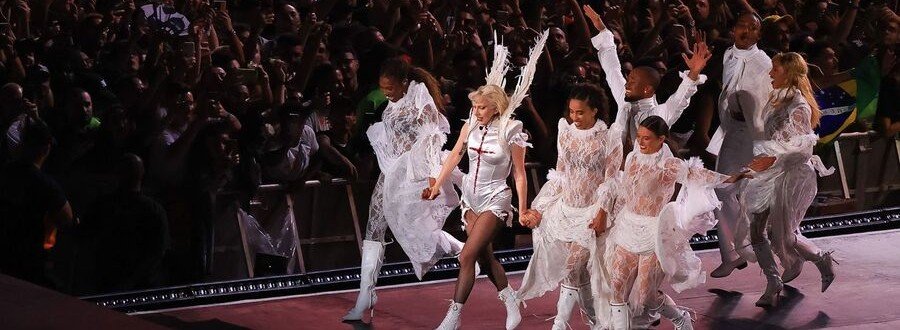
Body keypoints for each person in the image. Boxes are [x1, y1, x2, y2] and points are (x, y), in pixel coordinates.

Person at [426, 31, 548, 330]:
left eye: (481, 107)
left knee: (467, 255)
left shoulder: (512, 129)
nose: (476, 111)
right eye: (475, 107)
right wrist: (436, 186)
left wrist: (522, 209)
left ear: (496, 106)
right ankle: (509, 298)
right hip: (471, 197)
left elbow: (519, 173)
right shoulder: (471, 125)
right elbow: (454, 155)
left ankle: (452, 317)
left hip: (495, 197)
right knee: (484, 255)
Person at [342, 58, 466, 322]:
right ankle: (366, 293)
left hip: (414, 174)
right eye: (383, 87)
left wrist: (434, 177)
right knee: (374, 226)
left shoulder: (421, 100)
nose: (386, 92)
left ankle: (461, 249)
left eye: (390, 87)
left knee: (413, 229)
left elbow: (433, 137)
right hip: (390, 173)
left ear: (405, 83)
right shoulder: (391, 105)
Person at [601, 116, 750, 330]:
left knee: (646, 297)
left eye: (647, 139)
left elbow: (697, 174)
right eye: (639, 138)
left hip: (653, 234)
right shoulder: (633, 157)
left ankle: (680, 318)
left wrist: (732, 178)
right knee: (616, 287)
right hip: (627, 229)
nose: (641, 143)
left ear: (661, 139)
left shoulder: (669, 165)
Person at [516, 85, 623, 329]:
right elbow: (560, 174)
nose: (574, 117)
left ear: (595, 110)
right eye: (572, 111)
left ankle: (560, 323)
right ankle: (597, 322)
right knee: (576, 273)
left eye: (581, 112)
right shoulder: (565, 130)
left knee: (573, 265)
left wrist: (602, 213)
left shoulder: (609, 136)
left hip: (593, 211)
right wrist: (540, 208)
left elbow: (612, 180)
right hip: (566, 210)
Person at [736, 52, 836, 307]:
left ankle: (821, 258)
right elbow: (775, 142)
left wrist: (771, 160)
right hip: (773, 172)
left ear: (789, 73)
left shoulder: (798, 106)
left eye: (775, 70)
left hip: (793, 175)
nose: (770, 74)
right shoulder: (777, 99)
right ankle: (773, 282)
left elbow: (802, 148)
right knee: (756, 227)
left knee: (785, 235)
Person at [584, 6, 711, 153]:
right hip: (617, 169)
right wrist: (602, 30)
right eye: (629, 78)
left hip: (647, 172)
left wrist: (694, 72)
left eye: (632, 80)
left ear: (647, 89)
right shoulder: (624, 99)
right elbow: (612, 68)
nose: (627, 82)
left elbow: (679, 100)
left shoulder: (657, 115)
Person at [706, 12, 773, 278]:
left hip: (752, 134)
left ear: (758, 34)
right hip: (732, 131)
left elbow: (766, 103)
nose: (745, 31)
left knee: (756, 196)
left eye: (752, 28)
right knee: (721, 190)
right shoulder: (727, 54)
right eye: (741, 25)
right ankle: (734, 253)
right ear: (733, 29)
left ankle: (790, 251)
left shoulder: (763, 62)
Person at [0, 120, 74, 287]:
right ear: (47, 148)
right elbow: (67, 218)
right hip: (28, 262)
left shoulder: (4, 173)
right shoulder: (44, 184)